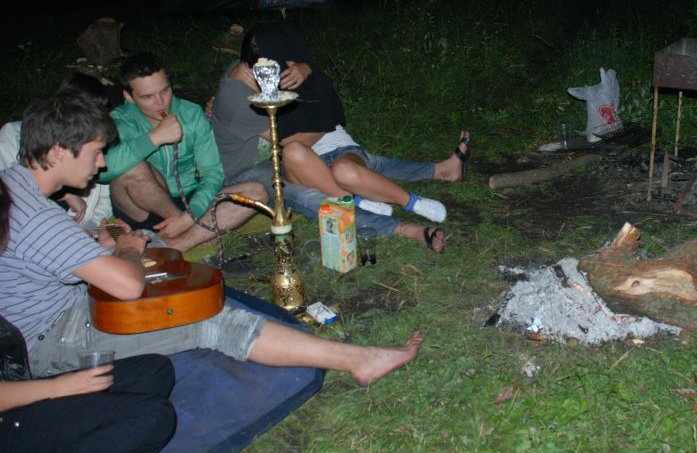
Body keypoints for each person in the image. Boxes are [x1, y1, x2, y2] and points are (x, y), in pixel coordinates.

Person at [0, 89, 423, 389]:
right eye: (95, 152)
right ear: (58, 151)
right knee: (207, 319)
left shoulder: (13, 185)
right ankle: (359, 360)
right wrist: (126, 249)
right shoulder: (37, 217)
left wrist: (97, 238)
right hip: (52, 340)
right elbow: (126, 285)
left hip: (58, 311)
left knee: (174, 281)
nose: (100, 164)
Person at [210, 21, 471, 253]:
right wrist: (327, 122)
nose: (280, 73)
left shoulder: (256, 68)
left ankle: (436, 173)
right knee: (309, 197)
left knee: (346, 163)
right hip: (250, 173)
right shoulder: (238, 101)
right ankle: (403, 229)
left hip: (280, 157)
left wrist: (306, 68)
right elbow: (290, 139)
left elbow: (302, 77)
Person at [0, 175, 177, 453]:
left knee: (154, 371)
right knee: (153, 416)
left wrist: (96, 243)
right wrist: (60, 388)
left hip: (16, 387)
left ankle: (77, 441)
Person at [99, 52, 269, 252]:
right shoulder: (120, 121)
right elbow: (102, 171)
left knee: (256, 192)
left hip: (189, 199)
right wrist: (154, 138)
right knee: (132, 168)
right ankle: (195, 231)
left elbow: (212, 173)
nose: (161, 102)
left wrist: (190, 216)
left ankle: (175, 243)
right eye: (147, 97)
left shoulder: (191, 114)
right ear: (129, 97)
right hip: (140, 204)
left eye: (165, 90)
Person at [0, 73, 115, 231]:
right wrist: (61, 194)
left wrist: (88, 229)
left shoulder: (94, 147)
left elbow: (104, 200)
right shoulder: (16, 134)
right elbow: (11, 187)